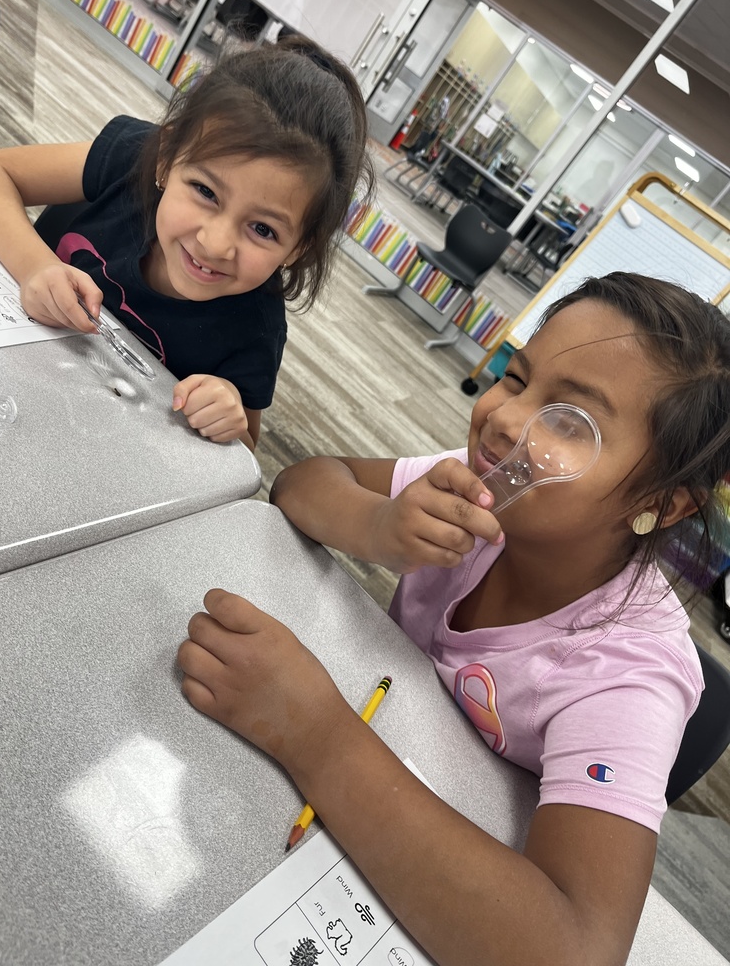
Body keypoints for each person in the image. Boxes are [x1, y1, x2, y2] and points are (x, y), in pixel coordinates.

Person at [176, 273, 730, 966]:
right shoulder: (482, 487)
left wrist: (315, 733)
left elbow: (576, 948)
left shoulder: (626, 678)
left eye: (568, 419)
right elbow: (306, 480)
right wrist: (376, 525)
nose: (502, 416)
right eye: (518, 376)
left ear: (664, 502)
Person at [0, 35, 372, 449]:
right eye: (205, 192)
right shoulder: (132, 156)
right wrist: (36, 266)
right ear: (166, 157)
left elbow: (242, 451)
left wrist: (225, 411)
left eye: (263, 230)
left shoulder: (254, 330)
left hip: (71, 441)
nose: (214, 244)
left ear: (299, 247)